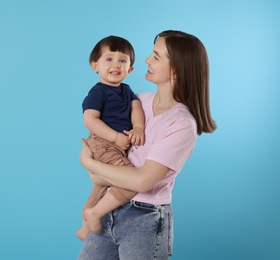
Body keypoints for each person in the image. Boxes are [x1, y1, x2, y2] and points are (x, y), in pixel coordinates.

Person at [78, 30, 217, 259]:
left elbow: (142, 181)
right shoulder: (137, 101)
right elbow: (102, 155)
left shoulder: (181, 124)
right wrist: (97, 170)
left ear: (175, 69)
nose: (146, 60)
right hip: (108, 209)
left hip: (145, 220)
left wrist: (88, 163)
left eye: (156, 56)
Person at [76, 35, 146, 241]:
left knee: (99, 188)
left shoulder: (126, 91)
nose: (116, 65)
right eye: (109, 59)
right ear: (94, 65)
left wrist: (139, 128)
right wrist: (115, 138)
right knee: (130, 181)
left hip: (117, 146)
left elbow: (136, 108)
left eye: (122, 61)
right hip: (103, 143)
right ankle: (94, 213)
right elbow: (90, 120)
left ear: (130, 69)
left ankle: (84, 227)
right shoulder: (98, 92)